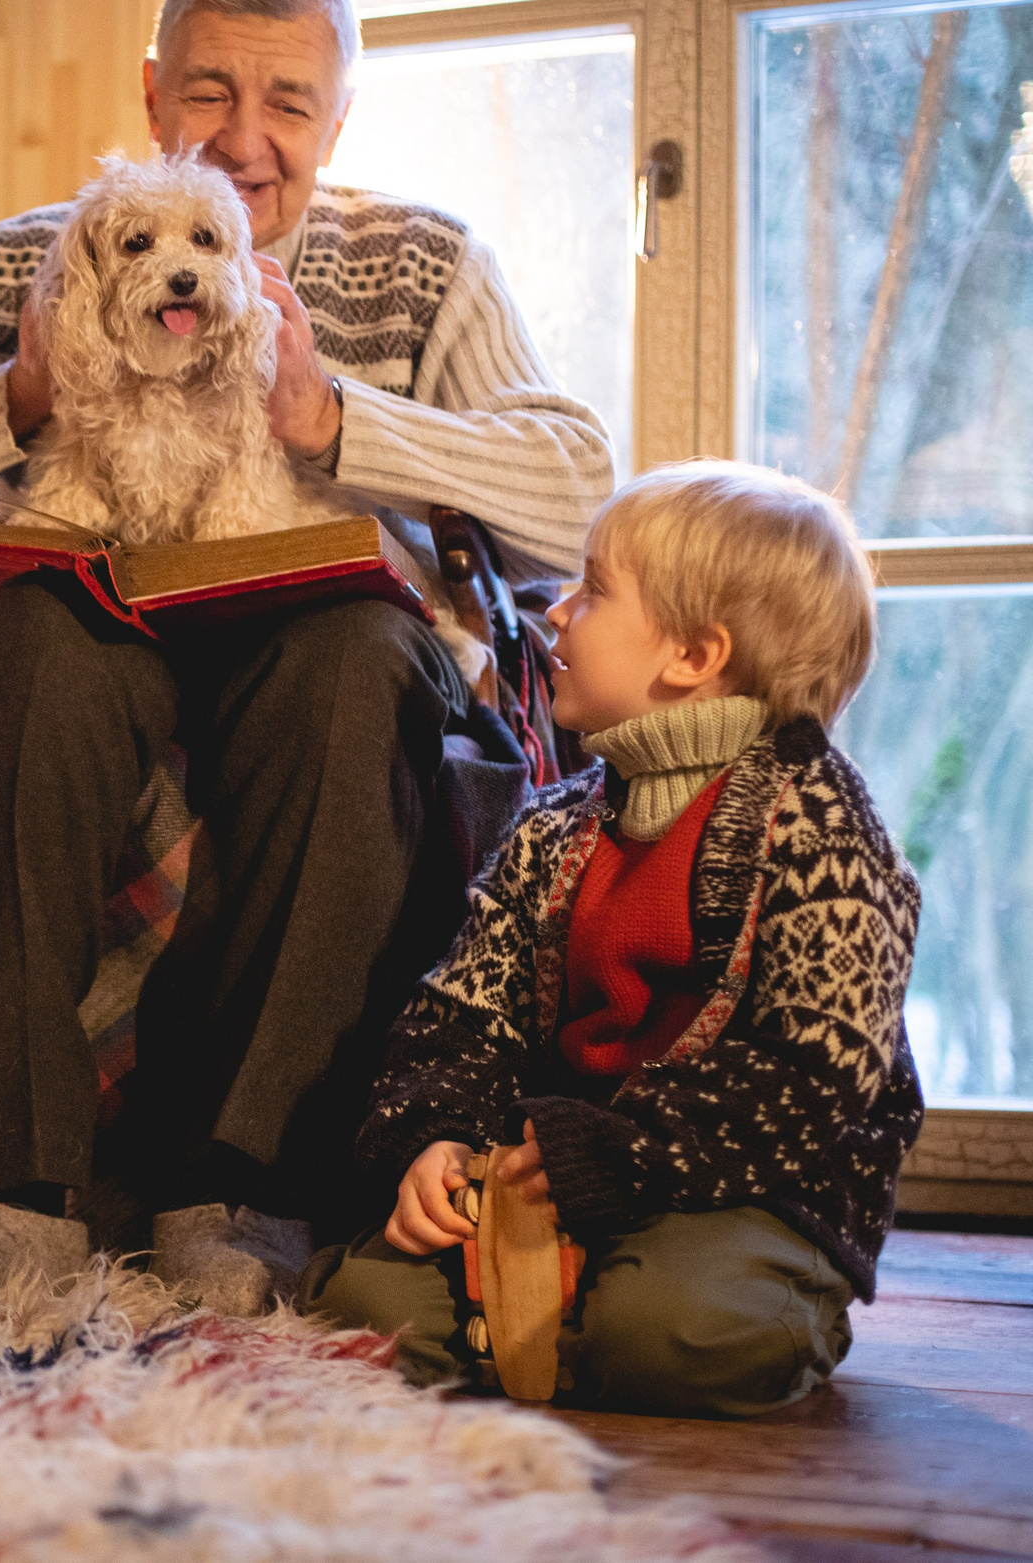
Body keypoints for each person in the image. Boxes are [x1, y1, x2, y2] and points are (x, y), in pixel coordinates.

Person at [0, 0, 613, 1278]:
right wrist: (11, 401)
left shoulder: (423, 265)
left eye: (289, 102)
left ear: (339, 117)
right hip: (94, 622)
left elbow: (582, 496)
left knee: (351, 669)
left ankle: (241, 1186)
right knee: (37, 653)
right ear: (153, 88)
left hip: (327, 640)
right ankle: (5, 1184)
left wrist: (337, 419)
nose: (244, 137)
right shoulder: (33, 265)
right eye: (212, 92)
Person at [307, 461, 924, 1418]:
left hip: (746, 1190)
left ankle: (632, 1316)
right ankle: (553, 1314)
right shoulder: (555, 829)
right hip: (549, 1172)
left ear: (693, 654)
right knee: (359, 1305)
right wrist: (434, 1139)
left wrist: (627, 1150)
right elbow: (457, 1013)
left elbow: (816, 1072)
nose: (554, 612)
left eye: (593, 590)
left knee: (674, 1328)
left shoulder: (823, 828)